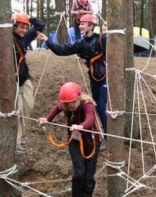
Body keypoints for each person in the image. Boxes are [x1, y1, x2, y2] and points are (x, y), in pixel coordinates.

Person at [40, 14, 108, 151]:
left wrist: (108, 32)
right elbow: (62, 50)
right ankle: (105, 136)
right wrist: (47, 40)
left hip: (106, 77)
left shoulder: (101, 39)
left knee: (102, 107)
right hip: (94, 77)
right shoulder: (81, 43)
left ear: (91, 26)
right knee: (99, 109)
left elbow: (116, 44)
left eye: (83, 24)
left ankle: (108, 138)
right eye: (80, 24)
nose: (80, 26)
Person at [38, 82, 100, 197]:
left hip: (91, 143)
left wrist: (80, 126)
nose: (70, 107)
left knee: (89, 179)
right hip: (74, 141)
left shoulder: (87, 104)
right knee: (79, 174)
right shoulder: (66, 105)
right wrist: (47, 119)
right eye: (67, 105)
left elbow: (90, 119)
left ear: (77, 99)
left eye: (72, 105)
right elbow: (57, 108)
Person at [12, 12, 45, 153]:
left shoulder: (25, 37)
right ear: (14, 27)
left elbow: (40, 25)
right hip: (11, 79)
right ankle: (16, 141)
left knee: (28, 106)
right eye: (21, 27)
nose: (24, 30)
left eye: (26, 28)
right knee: (17, 109)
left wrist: (27, 17)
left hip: (24, 76)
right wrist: (13, 19)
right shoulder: (9, 37)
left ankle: (19, 136)